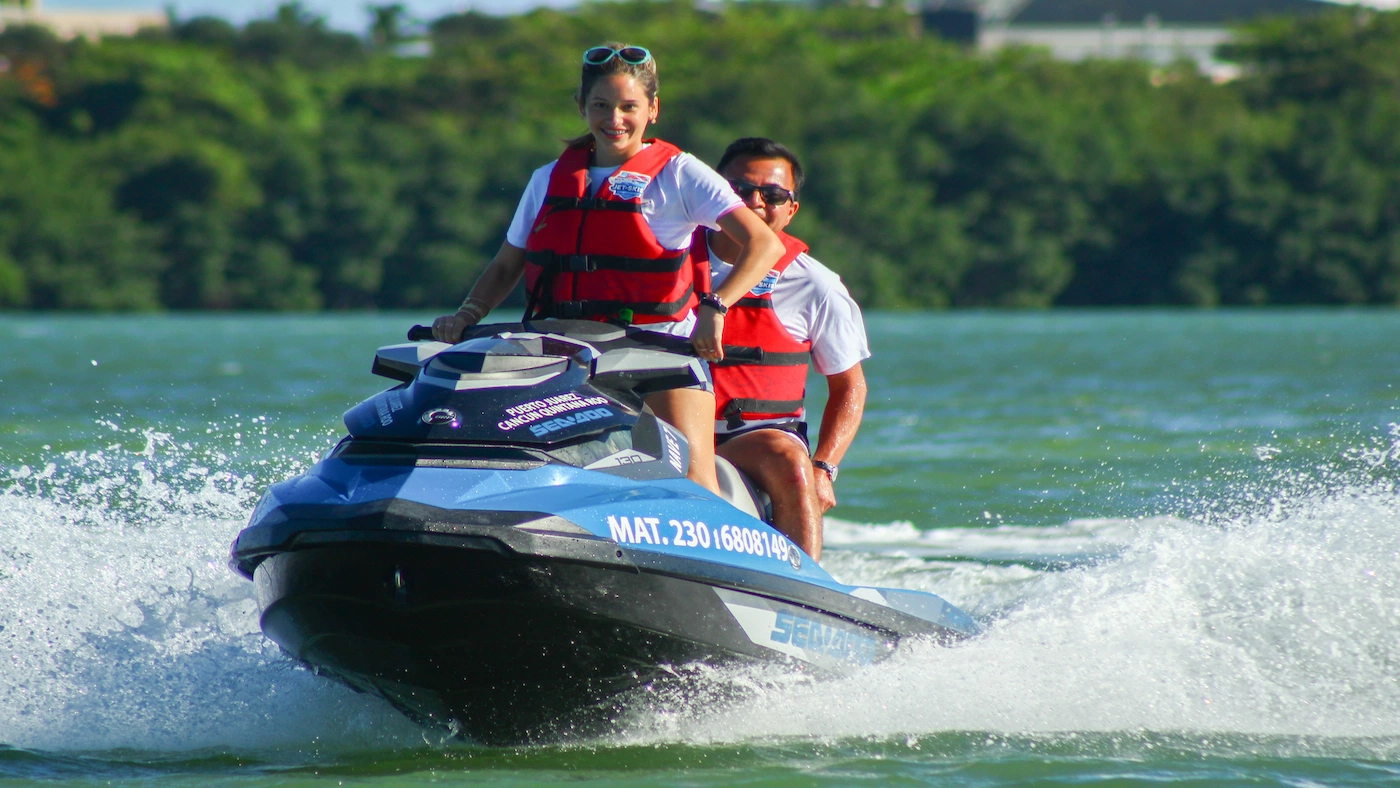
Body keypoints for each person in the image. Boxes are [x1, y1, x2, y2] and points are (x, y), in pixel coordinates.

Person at [431, 44, 783, 495]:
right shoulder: (548, 179)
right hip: (561, 352)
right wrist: (466, 315)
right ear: (581, 107)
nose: (614, 119)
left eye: (628, 107)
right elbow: (505, 266)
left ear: (652, 109)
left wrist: (716, 306)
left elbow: (763, 243)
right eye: (601, 105)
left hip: (659, 356)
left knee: (696, 481)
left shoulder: (680, 174)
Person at [693, 138, 870, 561]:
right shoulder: (668, 260)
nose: (755, 202)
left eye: (772, 195)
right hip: (666, 429)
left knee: (792, 460)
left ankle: (802, 589)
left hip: (750, 440)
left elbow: (850, 388)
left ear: (791, 209)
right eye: (739, 190)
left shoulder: (817, 285)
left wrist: (824, 468)